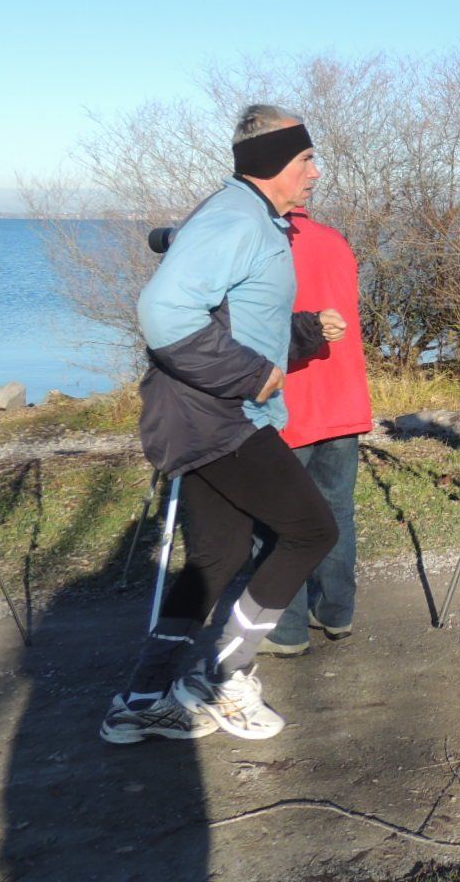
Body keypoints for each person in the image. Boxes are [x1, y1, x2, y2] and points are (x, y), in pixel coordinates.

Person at [100, 105, 343, 745]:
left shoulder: (255, 218)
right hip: (218, 418)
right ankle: (223, 676)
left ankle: (142, 701)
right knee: (311, 530)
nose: (316, 172)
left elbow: (241, 315)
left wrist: (303, 333)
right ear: (272, 164)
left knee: (218, 555)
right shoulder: (236, 219)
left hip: (209, 414)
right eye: (306, 160)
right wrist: (251, 377)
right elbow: (164, 312)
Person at [257, 205, 373, 656]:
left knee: (279, 519)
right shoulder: (336, 242)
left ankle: (284, 628)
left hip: (289, 401)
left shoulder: (262, 241)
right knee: (336, 510)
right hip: (343, 396)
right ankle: (336, 611)